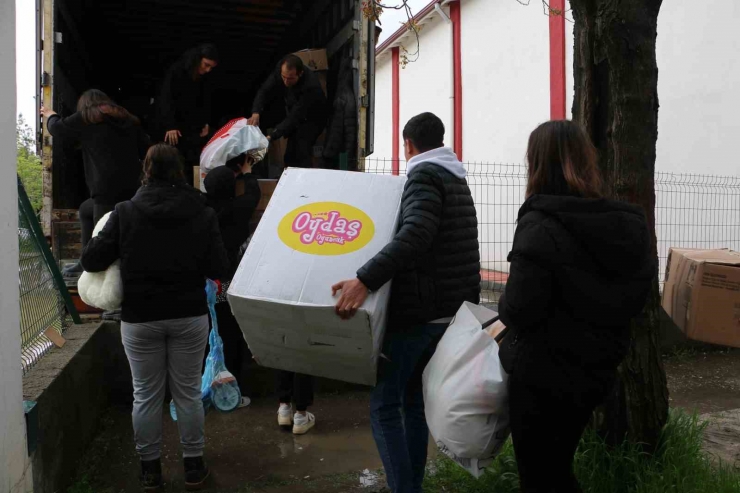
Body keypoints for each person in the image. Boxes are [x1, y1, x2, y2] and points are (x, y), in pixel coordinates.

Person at [496, 120, 653, 493]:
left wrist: (503, 303)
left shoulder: (539, 224)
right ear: (587, 161)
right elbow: (637, 297)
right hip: (595, 373)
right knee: (557, 469)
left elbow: (519, 309)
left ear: (535, 164)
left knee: (539, 477)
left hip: (542, 378)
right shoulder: (629, 223)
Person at [332, 112, 480, 493]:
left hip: (419, 312)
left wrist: (365, 278)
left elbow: (416, 233)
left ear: (408, 145)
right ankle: (411, 484)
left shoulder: (425, 175)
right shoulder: (455, 177)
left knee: (384, 406)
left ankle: (404, 488)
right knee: (413, 401)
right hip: (448, 312)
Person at [80, 144, 230, 491]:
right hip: (189, 316)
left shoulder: (125, 212)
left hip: (140, 317)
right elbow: (220, 267)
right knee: (188, 394)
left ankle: (150, 471)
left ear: (145, 171)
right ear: (179, 170)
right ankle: (193, 467)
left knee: (145, 395)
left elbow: (91, 260)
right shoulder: (202, 212)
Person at [41, 89, 150, 279]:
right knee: (85, 210)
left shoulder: (88, 117)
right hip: (133, 188)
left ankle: (102, 279)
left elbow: (57, 129)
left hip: (105, 188)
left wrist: (51, 115)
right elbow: (145, 149)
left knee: (104, 239)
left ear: (85, 105)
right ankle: (85, 262)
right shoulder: (128, 120)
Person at [203, 157, 262, 407]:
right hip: (228, 285)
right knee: (230, 334)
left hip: (206, 284)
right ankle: (233, 391)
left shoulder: (202, 212)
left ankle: (208, 388)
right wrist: (247, 173)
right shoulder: (238, 210)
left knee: (210, 335)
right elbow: (254, 194)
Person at [247, 54, 327, 169]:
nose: (285, 81)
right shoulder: (281, 69)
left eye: (290, 78)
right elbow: (264, 90)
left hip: (313, 117)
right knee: (289, 156)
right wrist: (256, 112)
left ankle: (306, 181)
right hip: (295, 110)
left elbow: (295, 116)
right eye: (283, 76)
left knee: (301, 149)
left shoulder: (311, 87)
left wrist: (271, 136)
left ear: (300, 74)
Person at [156, 44, 219, 186]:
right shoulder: (177, 71)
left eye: (211, 67)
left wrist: (206, 122)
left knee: (193, 162)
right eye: (206, 65)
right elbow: (166, 98)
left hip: (193, 127)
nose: (207, 70)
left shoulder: (204, 78)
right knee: (174, 161)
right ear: (198, 59)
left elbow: (206, 101)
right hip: (175, 127)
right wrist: (170, 125)